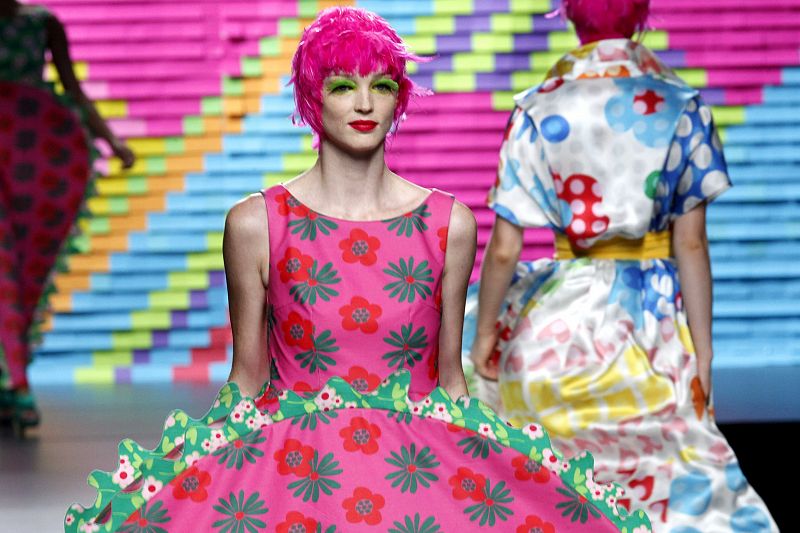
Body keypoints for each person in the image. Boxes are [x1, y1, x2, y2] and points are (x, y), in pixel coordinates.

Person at [65, 7, 650, 532]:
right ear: (312, 97)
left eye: (383, 85)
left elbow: (449, 380)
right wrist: (192, 473)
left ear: (401, 97)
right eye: (344, 86)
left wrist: (501, 468)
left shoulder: (448, 224)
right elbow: (247, 377)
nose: (365, 103)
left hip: (419, 473)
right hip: (296, 471)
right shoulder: (256, 224)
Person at [469, 0, 778, 530]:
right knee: (672, 483)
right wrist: (703, 351)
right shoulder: (682, 104)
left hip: (558, 327)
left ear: (571, 17)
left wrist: (482, 343)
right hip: (651, 326)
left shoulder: (537, 106)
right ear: (640, 16)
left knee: (556, 486)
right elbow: (693, 245)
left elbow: (503, 249)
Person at [0, 0, 135, 436]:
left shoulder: (43, 24)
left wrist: (112, 142)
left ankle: (9, 378)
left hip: (33, 150)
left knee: (23, 276)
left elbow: (72, 87)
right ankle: (17, 383)